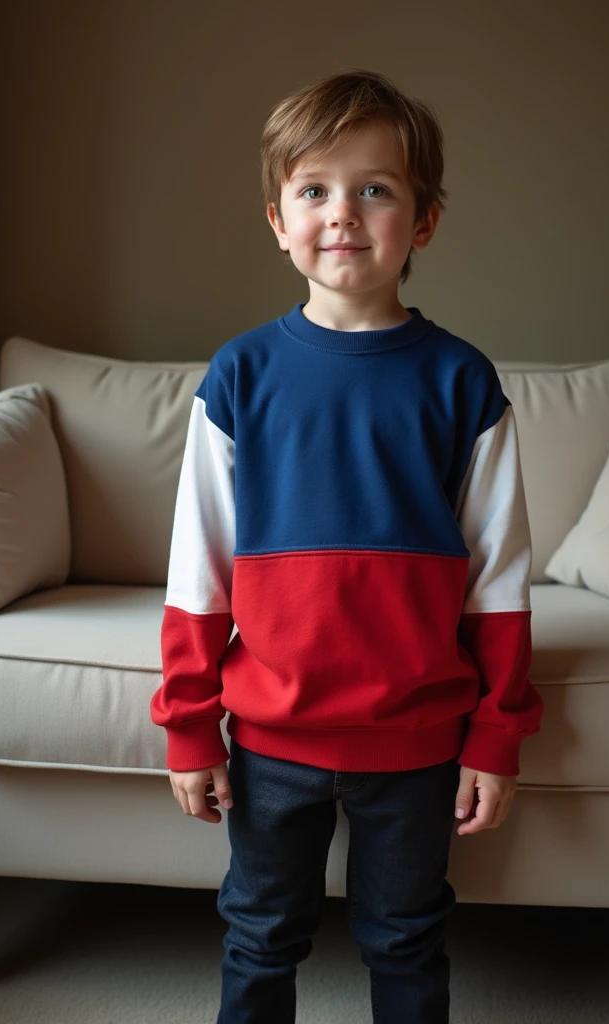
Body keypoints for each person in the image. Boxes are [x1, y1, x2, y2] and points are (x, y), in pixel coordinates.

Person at [150, 67, 544, 1024]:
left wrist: (496, 732)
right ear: (279, 221)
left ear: (424, 222)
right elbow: (197, 568)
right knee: (258, 933)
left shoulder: (461, 381)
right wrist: (190, 722)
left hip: (416, 743)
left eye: (376, 188)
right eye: (314, 189)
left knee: (407, 937)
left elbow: (499, 575)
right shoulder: (241, 373)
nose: (343, 213)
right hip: (271, 737)